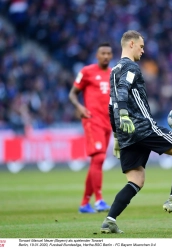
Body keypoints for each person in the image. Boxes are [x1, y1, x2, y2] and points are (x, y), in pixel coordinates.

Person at [100, 30, 172, 234]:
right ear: (131, 44)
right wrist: (125, 114)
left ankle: (110, 219)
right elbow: (125, 88)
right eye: (141, 46)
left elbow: (111, 104)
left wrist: (117, 135)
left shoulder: (113, 70)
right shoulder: (131, 67)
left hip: (126, 133)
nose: (143, 51)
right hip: (143, 126)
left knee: (136, 180)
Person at [69, 43, 113, 213]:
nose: (106, 56)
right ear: (97, 55)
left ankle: (84, 203)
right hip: (91, 120)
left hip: (108, 122)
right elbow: (72, 93)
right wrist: (79, 107)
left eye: (109, 53)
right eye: (103, 53)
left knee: (97, 161)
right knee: (100, 158)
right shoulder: (87, 71)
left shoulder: (113, 74)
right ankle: (99, 200)